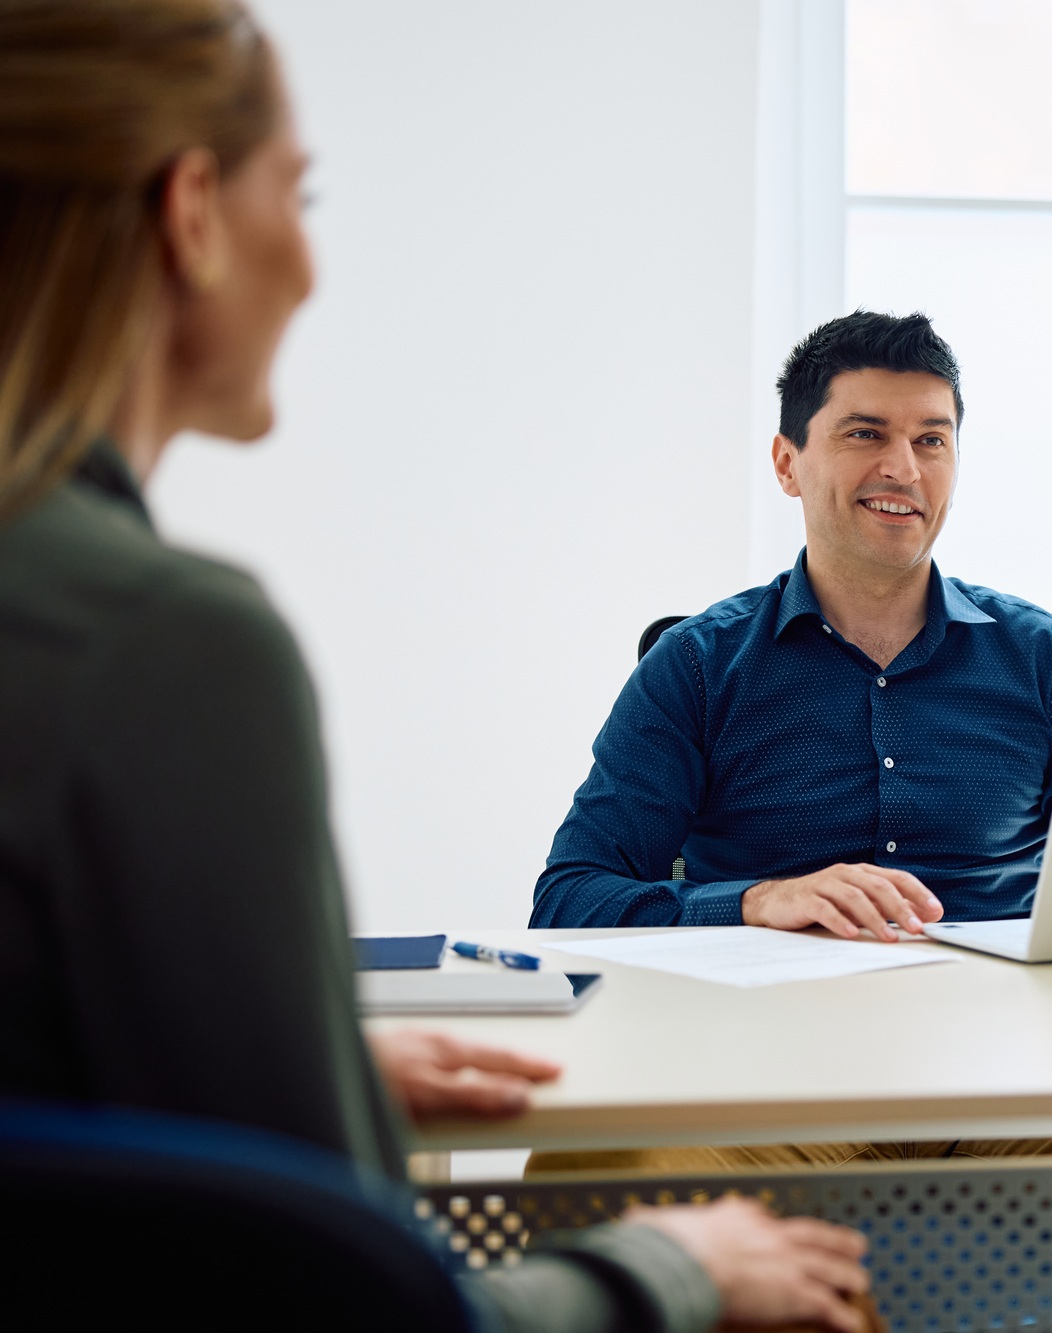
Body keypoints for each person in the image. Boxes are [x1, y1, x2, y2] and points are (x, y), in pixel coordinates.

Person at [0, 2, 870, 1328]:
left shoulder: (1037, 659)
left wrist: (300, 1065)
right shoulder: (162, 647)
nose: (309, 259)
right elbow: (332, 1310)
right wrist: (679, 1272)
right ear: (190, 212)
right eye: (299, 191)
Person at [531, 310, 1052, 940]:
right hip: (768, 1021)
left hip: (998, 1018)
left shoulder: (1045, 659)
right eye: (866, 434)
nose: (906, 469)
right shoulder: (697, 665)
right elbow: (570, 901)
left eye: (931, 440)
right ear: (788, 464)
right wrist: (756, 902)